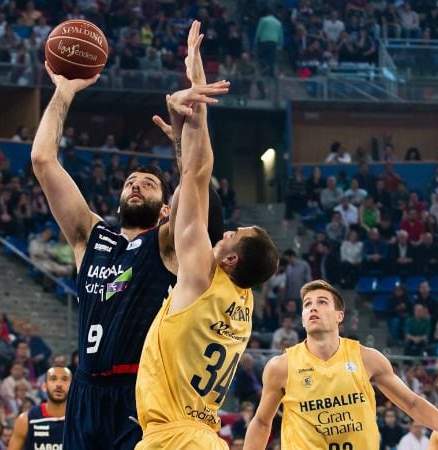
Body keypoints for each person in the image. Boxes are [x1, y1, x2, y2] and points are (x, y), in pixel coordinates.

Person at [30, 23, 226, 449]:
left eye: (149, 185)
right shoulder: (89, 237)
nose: (136, 186)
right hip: (85, 391)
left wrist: (189, 125)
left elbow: (196, 181)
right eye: (130, 182)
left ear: (166, 207)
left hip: (143, 393)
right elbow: (43, 160)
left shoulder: (167, 244)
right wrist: (64, 92)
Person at [136, 21, 279, 450]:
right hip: (205, 437)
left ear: (231, 259)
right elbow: (194, 179)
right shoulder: (243, 301)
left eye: (234, 234)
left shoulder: (200, 273)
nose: (227, 230)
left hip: (173, 439)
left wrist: (197, 93)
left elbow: (198, 177)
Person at [243, 280, 438, 450]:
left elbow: (411, 402)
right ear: (303, 319)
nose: (312, 307)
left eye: (322, 301)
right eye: (307, 304)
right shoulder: (281, 367)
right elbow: (262, 422)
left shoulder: (366, 358)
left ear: (340, 316)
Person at [7, 366, 71, 450]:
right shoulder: (25, 420)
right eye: (53, 379)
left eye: (64, 379)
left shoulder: (82, 420)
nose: (59, 384)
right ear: (44, 386)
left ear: (73, 387)